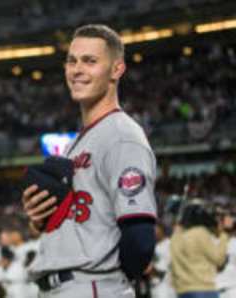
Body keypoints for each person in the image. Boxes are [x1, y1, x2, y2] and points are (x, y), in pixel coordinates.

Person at [21, 24, 157, 297]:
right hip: (65, 285)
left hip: (93, 285)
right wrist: (40, 220)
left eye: (90, 61)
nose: (77, 70)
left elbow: (140, 238)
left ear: (116, 70)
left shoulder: (122, 136)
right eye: (72, 61)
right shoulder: (76, 143)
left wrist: (112, 285)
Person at [171, 200, 232, 298]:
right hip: (203, 289)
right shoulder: (200, 233)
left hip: (182, 291)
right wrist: (224, 234)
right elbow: (219, 259)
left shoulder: (175, 236)